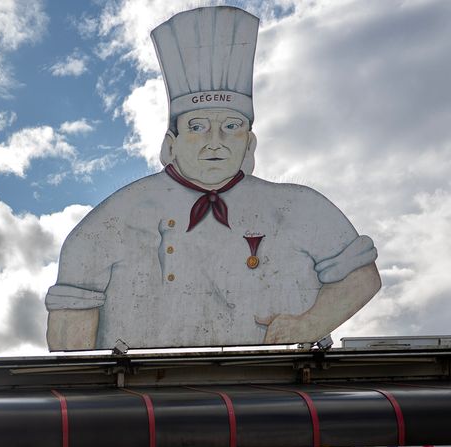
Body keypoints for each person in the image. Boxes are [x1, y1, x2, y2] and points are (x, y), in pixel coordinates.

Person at [46, 6, 380, 350]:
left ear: (249, 142)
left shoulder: (298, 205)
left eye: (230, 126)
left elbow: (361, 277)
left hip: (279, 385)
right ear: (170, 144)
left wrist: (308, 324)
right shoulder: (113, 220)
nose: (214, 141)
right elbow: (70, 320)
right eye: (198, 127)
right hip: (141, 389)